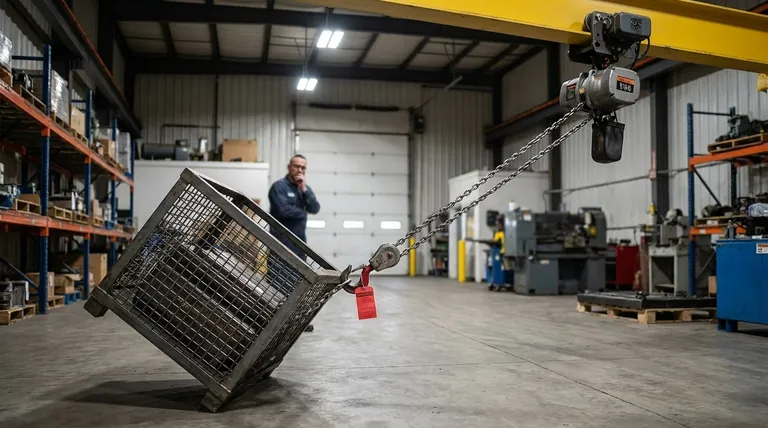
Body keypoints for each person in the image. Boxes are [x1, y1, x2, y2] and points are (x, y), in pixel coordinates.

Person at [268, 154, 321, 332]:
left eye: (303, 168)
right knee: (277, 284)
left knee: (298, 285)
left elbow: (315, 208)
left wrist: (304, 189)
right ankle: (274, 324)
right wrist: (302, 212)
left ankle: (295, 322)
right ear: (289, 166)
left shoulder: (303, 189)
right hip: (280, 244)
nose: (300, 170)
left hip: (299, 245)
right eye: (297, 166)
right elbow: (282, 211)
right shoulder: (279, 187)